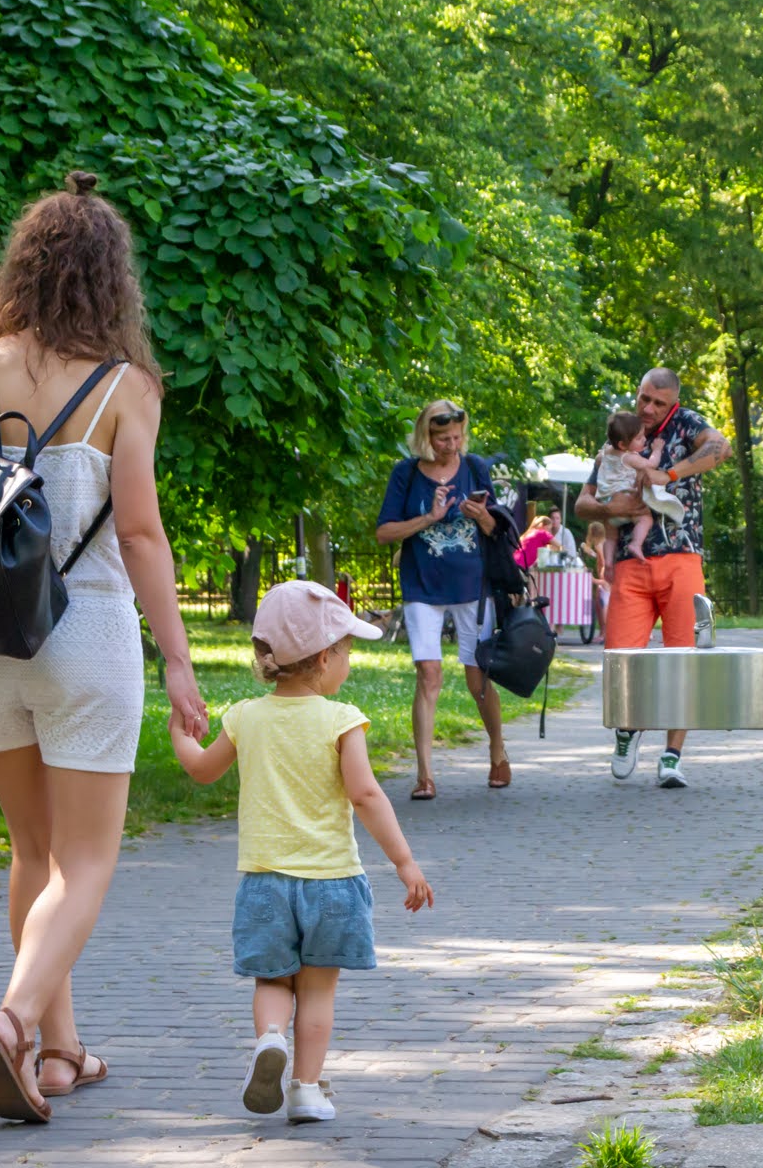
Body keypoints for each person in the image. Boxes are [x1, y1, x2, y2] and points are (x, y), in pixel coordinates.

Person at [0, 170, 208, 1125]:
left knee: (32, 851)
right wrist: (179, 660)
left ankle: (61, 1053)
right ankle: (18, 1017)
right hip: (86, 628)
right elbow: (142, 536)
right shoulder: (125, 386)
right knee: (88, 861)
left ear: (22, 267)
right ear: (113, 281)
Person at [170, 580, 433, 1124]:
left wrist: (180, 732)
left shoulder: (244, 716)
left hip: (265, 881)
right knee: (317, 992)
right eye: (346, 652)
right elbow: (365, 795)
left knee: (273, 981)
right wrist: (404, 863)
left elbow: (200, 770)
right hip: (332, 882)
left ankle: (270, 1037)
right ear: (321, 658)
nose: (350, 663)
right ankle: (307, 1090)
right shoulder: (341, 720)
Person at [575, 368, 729, 787]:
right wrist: (612, 509)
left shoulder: (688, 424)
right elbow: (584, 503)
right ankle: (627, 732)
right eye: (644, 398)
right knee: (622, 658)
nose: (648, 408)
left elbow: (721, 446)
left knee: (683, 657)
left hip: (682, 558)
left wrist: (670, 473)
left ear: (673, 403)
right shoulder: (620, 436)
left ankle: (672, 756)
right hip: (630, 561)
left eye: (658, 403)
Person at [374, 400, 510, 799]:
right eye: (442, 438)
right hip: (422, 586)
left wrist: (480, 516)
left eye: (456, 437)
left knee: (477, 679)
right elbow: (384, 532)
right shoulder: (406, 474)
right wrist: (429, 519)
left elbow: (496, 527)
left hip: (473, 586)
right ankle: (425, 774)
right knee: (429, 675)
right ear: (426, 437)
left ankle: (498, 751)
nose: (451, 445)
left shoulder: (475, 467)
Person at [591, 412, 685, 576]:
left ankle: (607, 563)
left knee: (611, 534)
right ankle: (636, 543)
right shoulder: (629, 458)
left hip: (607, 502)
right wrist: (657, 449)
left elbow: (598, 461)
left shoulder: (604, 453)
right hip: (626, 500)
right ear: (622, 445)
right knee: (645, 518)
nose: (644, 440)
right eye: (639, 438)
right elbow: (651, 464)